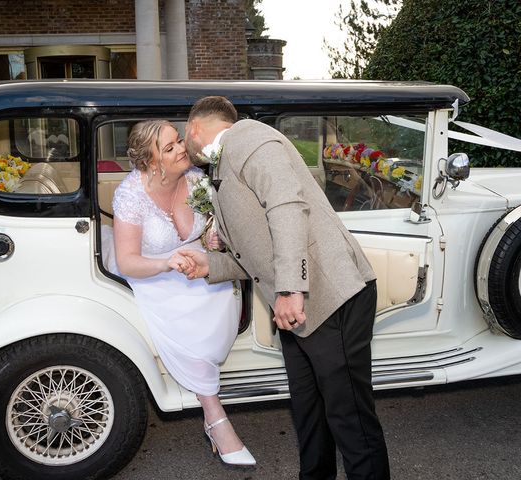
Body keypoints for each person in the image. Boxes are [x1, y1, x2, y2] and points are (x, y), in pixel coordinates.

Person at [178, 97, 390, 479]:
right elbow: (259, 250)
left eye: (183, 136)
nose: (184, 145)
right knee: (309, 414)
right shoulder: (225, 161)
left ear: (195, 127)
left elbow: (287, 206)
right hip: (296, 307)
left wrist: (291, 289)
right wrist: (213, 265)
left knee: (350, 417)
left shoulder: (249, 139)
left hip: (328, 297)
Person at [111, 119, 255, 466]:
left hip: (193, 260)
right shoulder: (130, 195)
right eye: (170, 147)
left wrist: (213, 238)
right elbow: (128, 262)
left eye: (179, 141)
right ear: (150, 161)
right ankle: (216, 419)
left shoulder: (194, 180)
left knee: (220, 290)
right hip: (153, 273)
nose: (181, 149)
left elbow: (206, 232)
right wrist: (167, 264)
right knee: (191, 314)